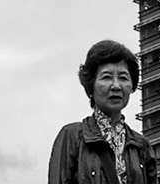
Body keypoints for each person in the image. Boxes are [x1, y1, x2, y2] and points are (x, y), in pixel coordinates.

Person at [47, 39, 152, 184]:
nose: (116, 86)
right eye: (107, 77)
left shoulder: (141, 146)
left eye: (123, 78)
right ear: (91, 87)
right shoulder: (72, 137)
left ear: (132, 86)